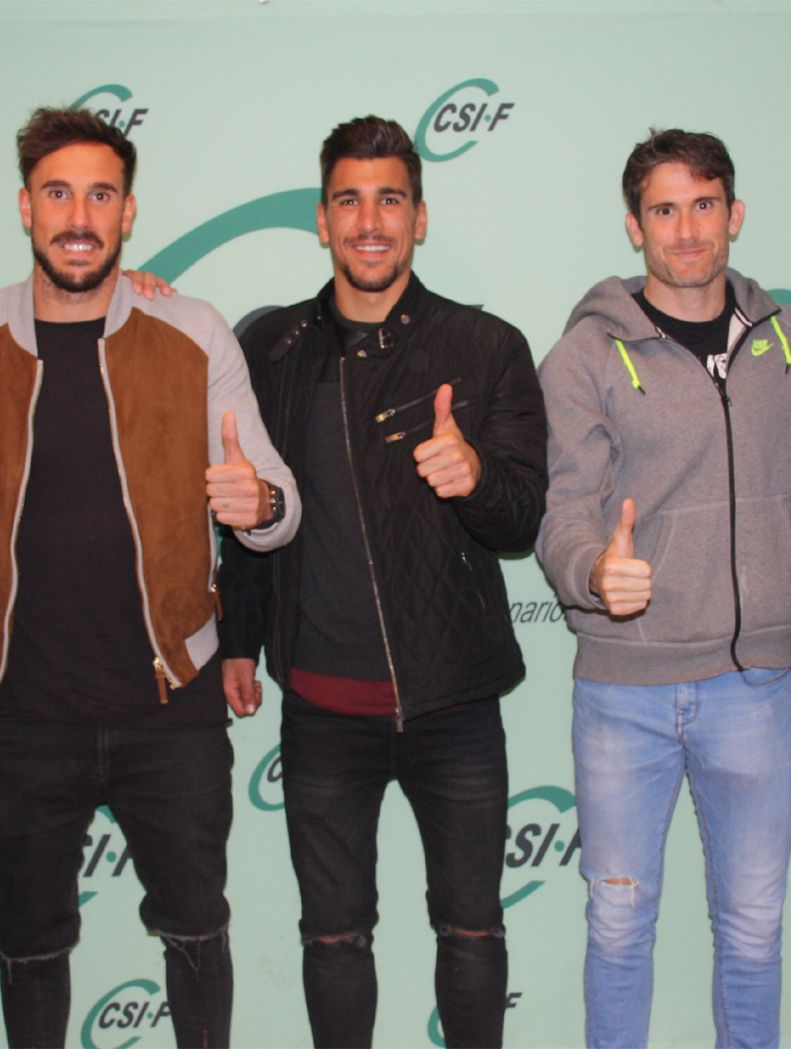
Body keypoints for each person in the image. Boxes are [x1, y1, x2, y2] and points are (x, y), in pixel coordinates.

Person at [0, 106, 297, 1049]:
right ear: (24, 207)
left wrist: (262, 508)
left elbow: (279, 495)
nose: (77, 215)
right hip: (24, 708)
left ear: (127, 213)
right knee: (30, 939)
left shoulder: (193, 330)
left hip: (172, 706)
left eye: (99, 194)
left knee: (196, 925)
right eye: (57, 193)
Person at [215, 115, 546, 1049]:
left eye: (390, 199)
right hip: (320, 706)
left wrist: (476, 477)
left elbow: (523, 519)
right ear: (323, 220)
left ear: (420, 217)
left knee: (474, 927)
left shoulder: (486, 347)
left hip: (455, 702)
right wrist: (239, 637)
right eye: (351, 200)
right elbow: (251, 505)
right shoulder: (269, 347)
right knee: (332, 934)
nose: (370, 220)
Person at [536, 129, 791, 1048]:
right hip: (624, 693)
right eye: (665, 209)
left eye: (704, 204)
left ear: (733, 215)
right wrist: (591, 570)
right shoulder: (585, 355)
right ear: (635, 226)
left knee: (754, 931)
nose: (687, 228)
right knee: (619, 929)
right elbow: (563, 513)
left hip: (754, 687)